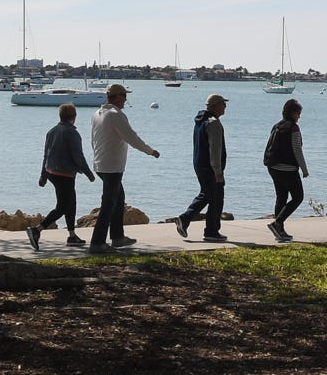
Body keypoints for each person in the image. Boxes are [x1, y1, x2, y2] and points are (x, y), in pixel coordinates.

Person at [87, 83, 160, 251]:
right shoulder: (115, 115)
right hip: (112, 167)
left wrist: (97, 158)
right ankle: (97, 242)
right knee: (109, 203)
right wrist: (150, 151)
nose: (126, 100)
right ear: (117, 97)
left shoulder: (97, 114)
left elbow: (93, 140)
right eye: (124, 96)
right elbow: (131, 137)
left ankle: (117, 237)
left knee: (118, 199)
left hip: (100, 164)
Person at [27, 102, 94, 251]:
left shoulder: (51, 131)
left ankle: (71, 235)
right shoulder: (72, 133)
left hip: (51, 172)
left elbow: (46, 154)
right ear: (74, 117)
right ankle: (37, 230)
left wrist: (43, 175)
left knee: (71, 202)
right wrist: (89, 173)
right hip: (65, 174)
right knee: (63, 206)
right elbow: (78, 156)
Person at [173, 93, 230, 241]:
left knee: (210, 195)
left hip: (199, 164)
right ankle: (193, 222)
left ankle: (208, 229)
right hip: (210, 167)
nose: (225, 107)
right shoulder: (213, 123)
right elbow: (215, 149)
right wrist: (218, 170)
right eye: (223, 104)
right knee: (215, 196)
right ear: (215, 106)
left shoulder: (200, 121)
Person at [264, 98, 308, 241]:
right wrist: (304, 169)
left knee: (281, 197)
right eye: (298, 113)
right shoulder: (293, 127)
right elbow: (297, 150)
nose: (299, 116)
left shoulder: (277, 126)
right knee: (298, 197)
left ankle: (279, 231)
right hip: (287, 168)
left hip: (273, 166)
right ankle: (278, 223)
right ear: (292, 113)